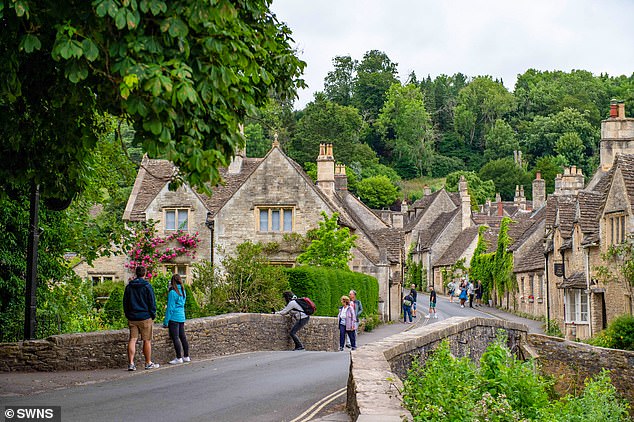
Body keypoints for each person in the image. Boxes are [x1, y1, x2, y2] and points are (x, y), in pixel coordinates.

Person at [123, 266, 159, 371]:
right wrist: (152, 314)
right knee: (146, 340)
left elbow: (125, 303)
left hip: (133, 317)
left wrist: (128, 314)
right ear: (145, 274)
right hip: (145, 317)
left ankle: (131, 363)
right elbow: (152, 302)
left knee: (133, 339)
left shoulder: (129, 287)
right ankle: (148, 363)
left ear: (136, 273)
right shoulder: (147, 286)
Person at [163, 274, 190, 365]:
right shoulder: (183, 291)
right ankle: (186, 356)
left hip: (174, 318)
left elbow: (170, 308)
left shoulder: (173, 292)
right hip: (181, 316)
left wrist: (166, 321)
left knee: (175, 337)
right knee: (183, 337)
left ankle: (179, 357)